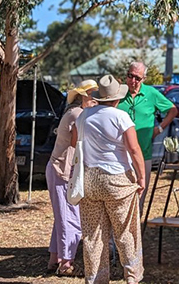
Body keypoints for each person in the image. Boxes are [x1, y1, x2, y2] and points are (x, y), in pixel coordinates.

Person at [72, 74, 146, 284]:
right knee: (125, 231)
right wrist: (141, 177)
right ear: (116, 98)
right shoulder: (120, 116)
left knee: (93, 235)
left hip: (89, 179)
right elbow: (134, 148)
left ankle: (95, 279)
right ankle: (132, 276)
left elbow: (74, 142)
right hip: (117, 178)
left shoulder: (84, 116)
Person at [46, 79, 98, 276]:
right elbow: (78, 142)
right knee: (71, 218)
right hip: (63, 170)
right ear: (84, 96)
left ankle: (54, 259)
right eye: (93, 95)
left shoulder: (74, 112)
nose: (96, 100)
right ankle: (66, 263)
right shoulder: (78, 114)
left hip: (60, 168)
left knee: (63, 216)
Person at [117, 61, 178, 209]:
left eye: (137, 78)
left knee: (139, 200)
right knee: (120, 202)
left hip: (143, 155)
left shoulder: (151, 93)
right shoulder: (118, 93)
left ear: (144, 79)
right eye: (130, 76)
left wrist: (159, 129)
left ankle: (137, 231)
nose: (133, 81)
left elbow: (173, 110)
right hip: (119, 157)